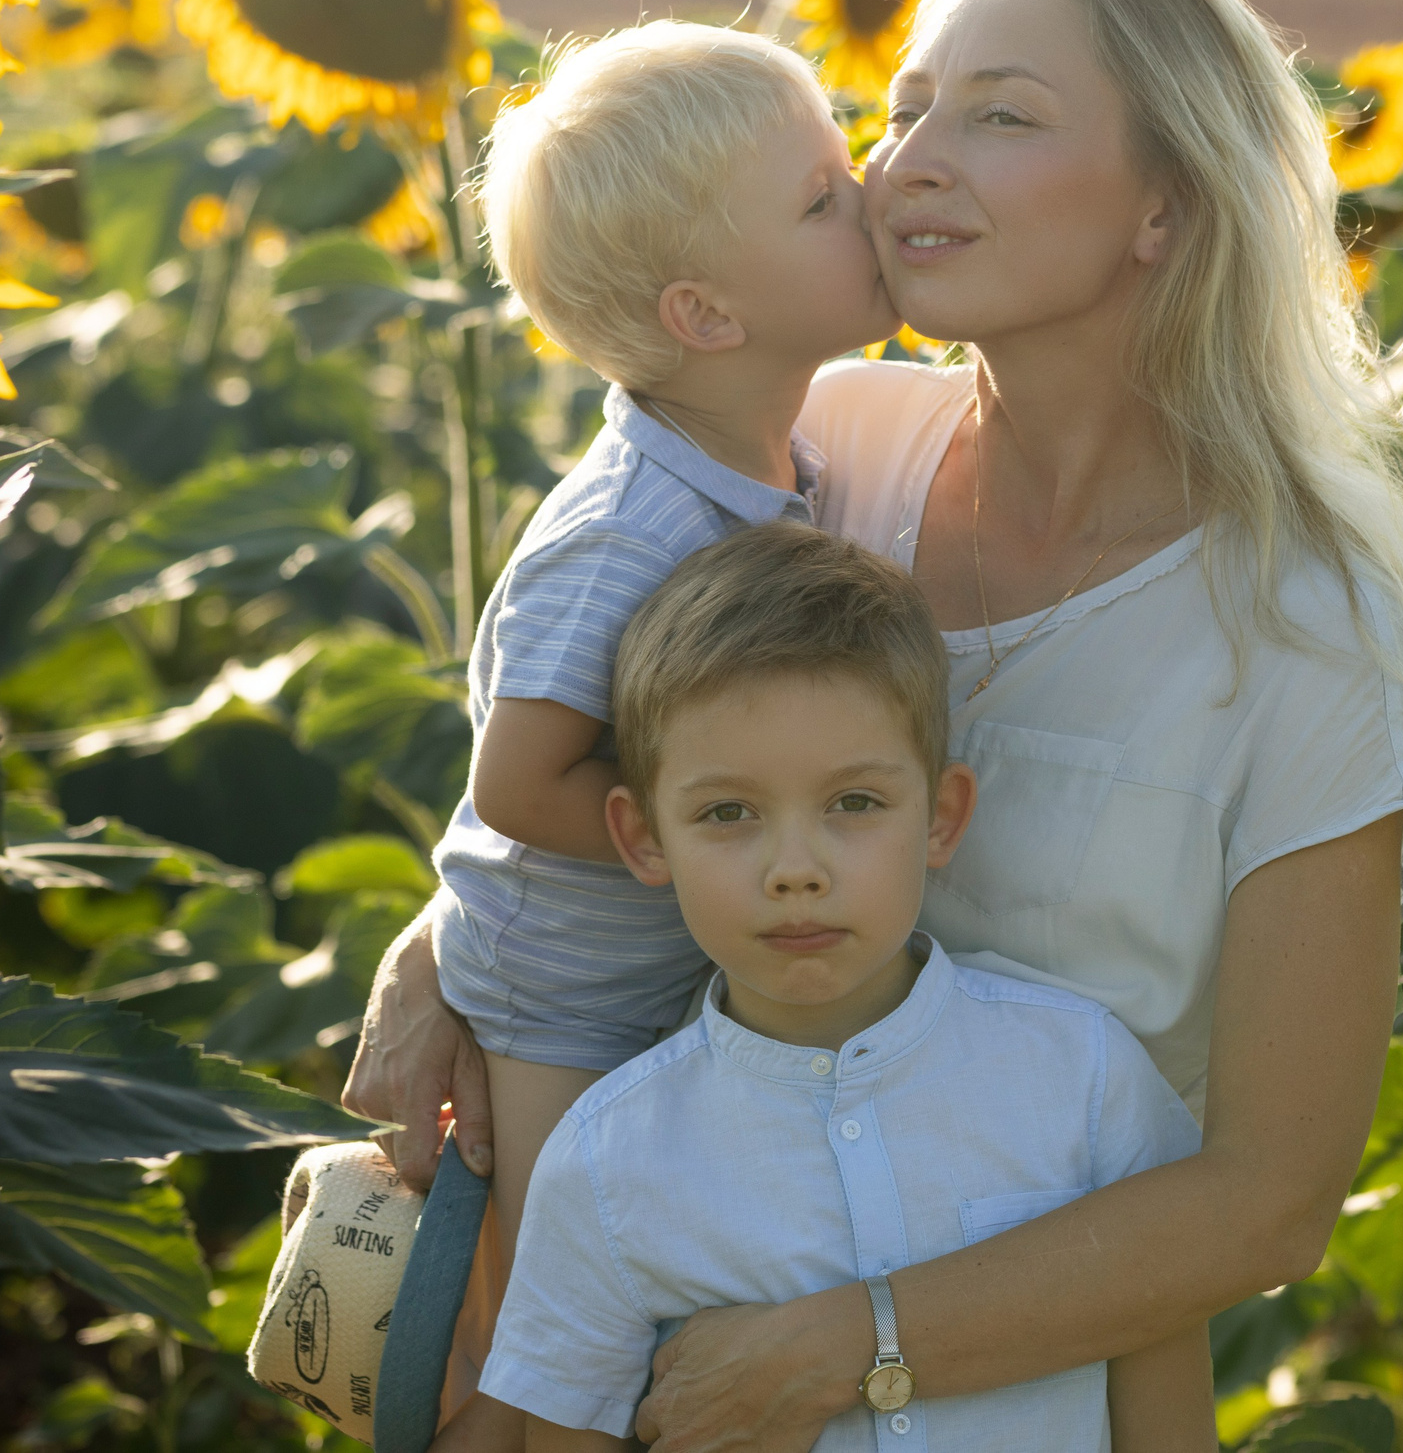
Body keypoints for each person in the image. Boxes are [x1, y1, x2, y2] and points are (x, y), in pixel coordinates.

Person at [349, 0, 1403, 1452]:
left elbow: (1266, 1205)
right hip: (669, 1316)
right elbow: (600, 752)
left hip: (1027, 1397)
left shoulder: (1302, 614)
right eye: (906, 107)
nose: (908, 163)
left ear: (1167, 204)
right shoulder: (823, 447)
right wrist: (438, 954)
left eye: (1000, 114)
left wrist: (848, 1352)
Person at [435, 522, 1213, 1452]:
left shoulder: (1084, 1078)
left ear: (943, 814)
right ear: (642, 837)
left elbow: (1166, 1391)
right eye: (729, 813)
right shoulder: (602, 1166)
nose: (794, 870)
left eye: (853, 803)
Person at [425, 17, 898, 1397]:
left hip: (655, 957)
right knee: (561, 1324)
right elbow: (516, 779)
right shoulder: (632, 527)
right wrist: (713, 848)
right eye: (821, 198)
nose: (870, 196)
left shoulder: (771, 464)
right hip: (561, 990)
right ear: (705, 315)